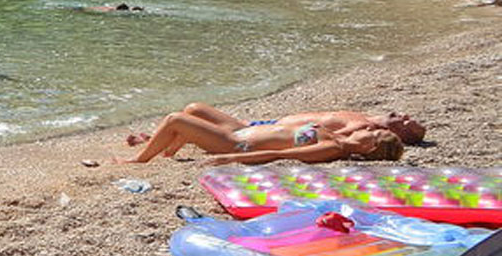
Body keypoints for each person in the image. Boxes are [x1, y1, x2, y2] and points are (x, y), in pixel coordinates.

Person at [123, 115, 406, 165]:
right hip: (239, 134)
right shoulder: (337, 138)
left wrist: (231, 157)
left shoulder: (332, 148)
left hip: (235, 143)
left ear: (370, 145)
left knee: (176, 119)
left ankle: (139, 159)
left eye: (371, 132)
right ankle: (169, 149)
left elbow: (282, 156)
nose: (367, 128)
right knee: (195, 109)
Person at [124, 103, 425, 149]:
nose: (404, 116)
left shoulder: (362, 130)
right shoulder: (363, 116)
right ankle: (167, 143)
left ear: (398, 134)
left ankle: (157, 142)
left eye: (407, 124)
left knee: (188, 116)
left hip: (258, 131)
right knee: (193, 109)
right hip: (262, 124)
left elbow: (330, 139)